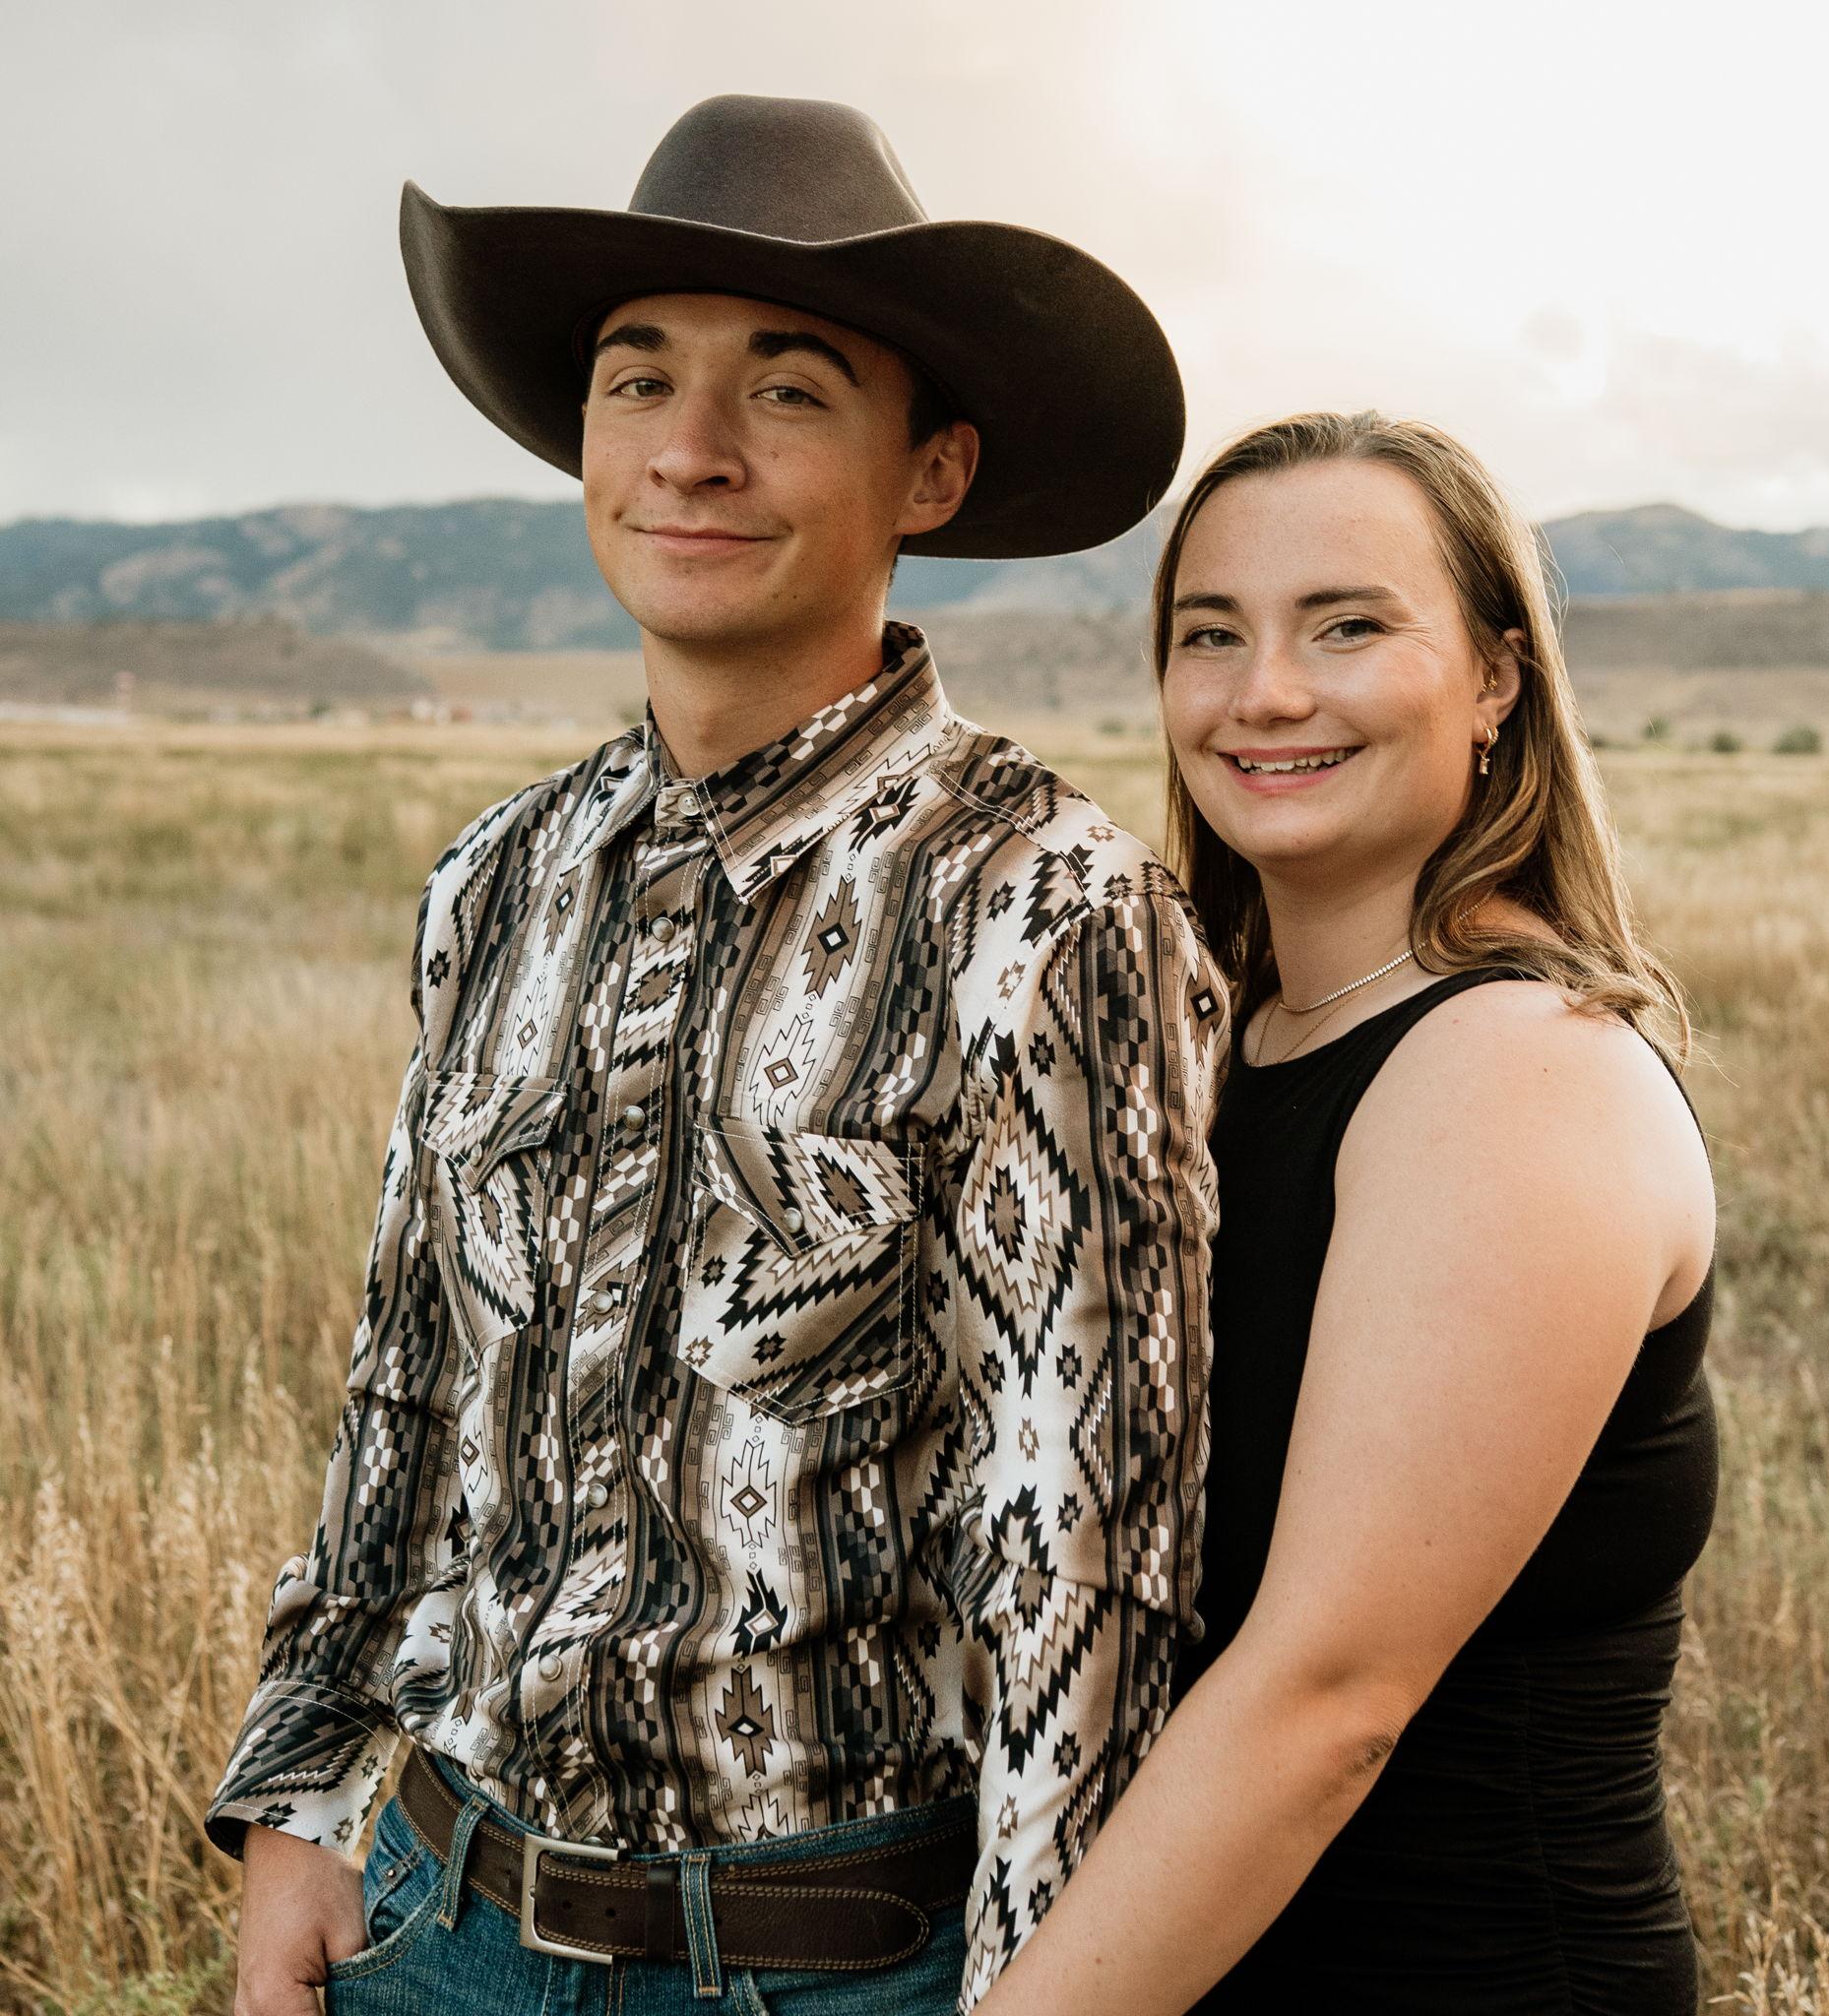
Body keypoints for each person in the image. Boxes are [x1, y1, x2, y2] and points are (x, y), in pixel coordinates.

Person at [205, 94, 1228, 2016]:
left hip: (827, 1964)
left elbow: (1078, 1558)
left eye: (785, 389)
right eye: (635, 377)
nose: (686, 449)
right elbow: (404, 1395)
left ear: (928, 471)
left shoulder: (1043, 904)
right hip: (438, 1921)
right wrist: (296, 1815)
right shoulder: (496, 880)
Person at [974, 410, 1719, 2015]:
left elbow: (1329, 1702)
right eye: (1211, 635)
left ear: (1497, 680)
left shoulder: (1515, 1071)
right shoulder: (1217, 1049)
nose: (1267, 692)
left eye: (1350, 626)